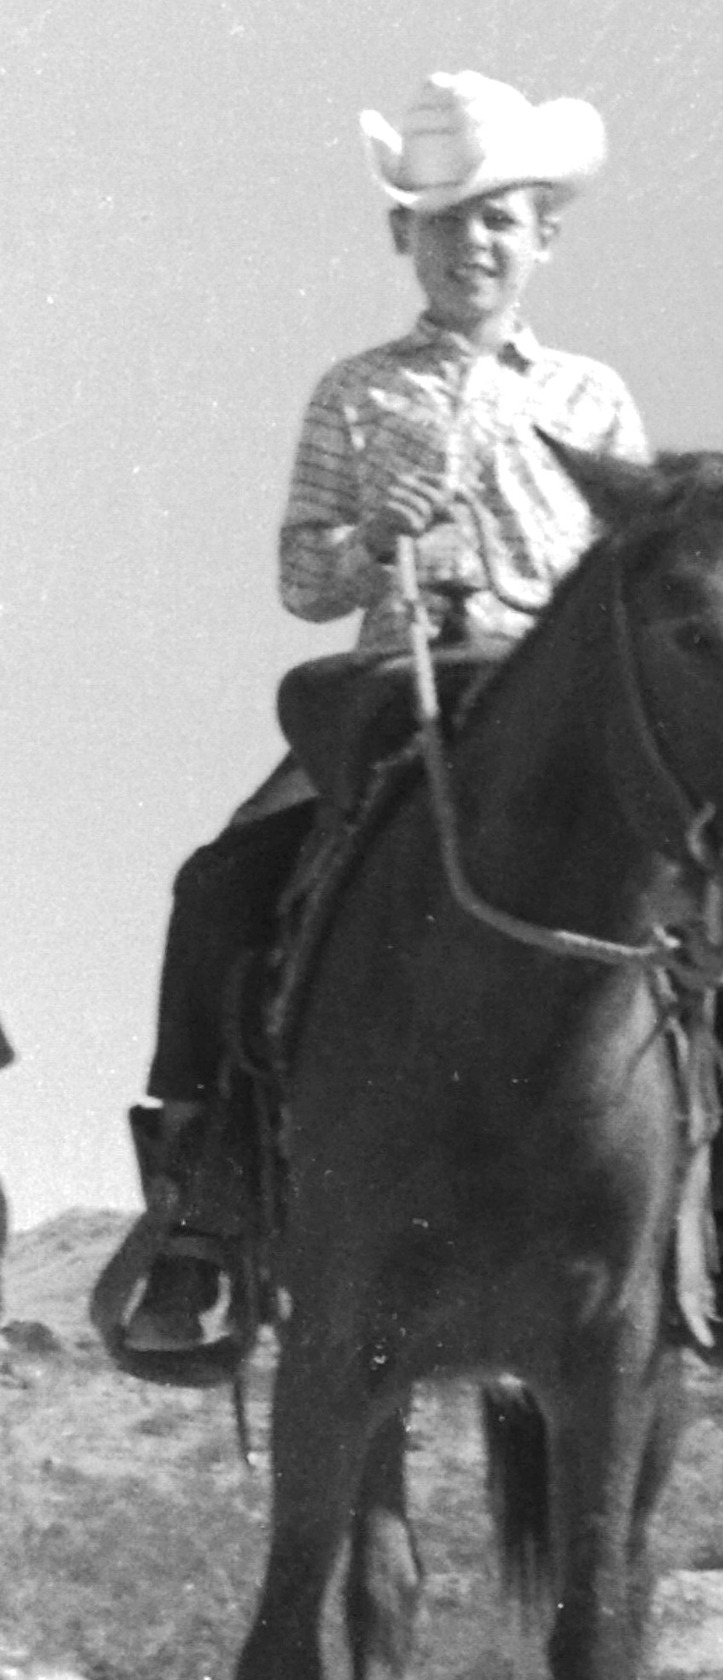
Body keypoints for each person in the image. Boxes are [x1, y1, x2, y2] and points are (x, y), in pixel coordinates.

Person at [124, 72, 672, 1351]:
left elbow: (642, 573)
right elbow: (299, 577)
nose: (472, 243)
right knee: (220, 883)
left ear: (546, 237)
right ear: (399, 239)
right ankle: (199, 1212)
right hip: (393, 685)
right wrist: (376, 541)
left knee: (703, 880)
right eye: (443, 221)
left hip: (553, 694)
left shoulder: (595, 395)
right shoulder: (356, 392)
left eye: (500, 219)